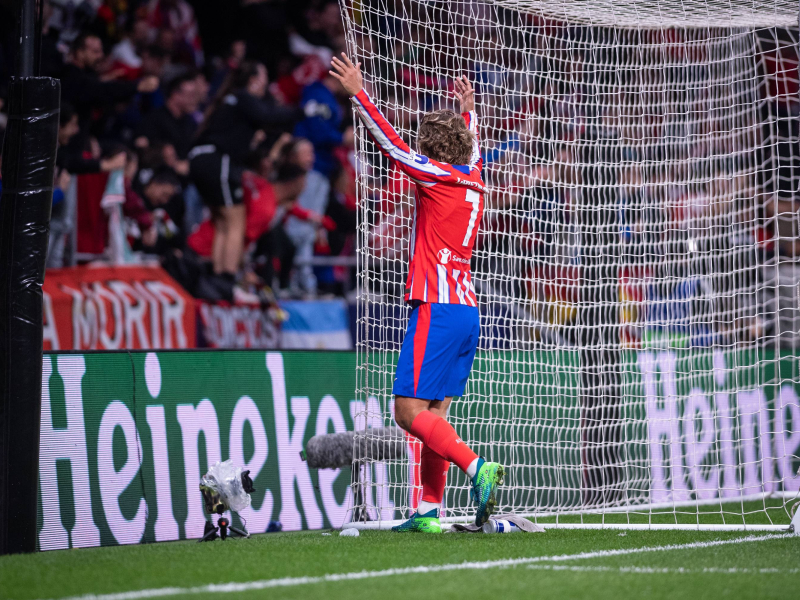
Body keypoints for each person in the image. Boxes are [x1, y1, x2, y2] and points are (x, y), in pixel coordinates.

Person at [329, 54, 503, 532]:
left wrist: (359, 93)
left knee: (406, 411)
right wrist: (470, 113)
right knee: (435, 416)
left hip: (438, 305)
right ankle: (428, 511)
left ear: (432, 150)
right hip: (468, 309)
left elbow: (391, 146)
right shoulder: (475, 177)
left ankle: (476, 467)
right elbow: (474, 148)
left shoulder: (436, 174)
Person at [189, 60, 298, 280]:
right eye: (264, 75)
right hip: (217, 160)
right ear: (254, 80)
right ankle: (227, 278)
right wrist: (303, 111)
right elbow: (269, 117)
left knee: (221, 221)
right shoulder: (244, 98)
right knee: (236, 220)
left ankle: (217, 275)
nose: (267, 82)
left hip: (201, 159)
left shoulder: (230, 102)